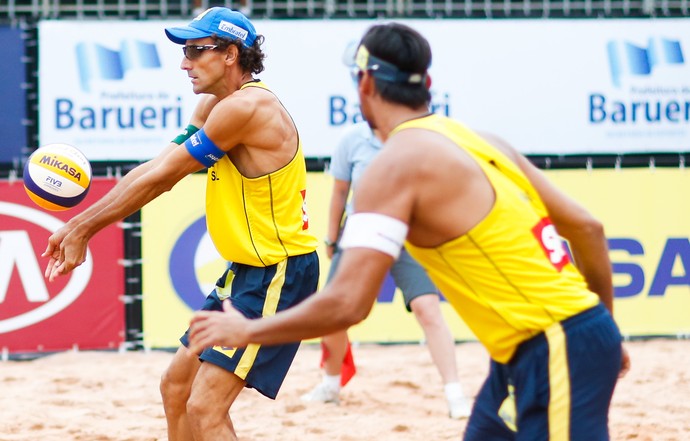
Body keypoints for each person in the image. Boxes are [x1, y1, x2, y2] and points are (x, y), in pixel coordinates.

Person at [187, 22, 631, 440]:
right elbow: (588, 228)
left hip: (553, 345)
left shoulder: (393, 165)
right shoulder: (481, 139)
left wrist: (248, 333)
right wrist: (605, 331)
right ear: (427, 87)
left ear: (365, 85)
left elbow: (347, 304)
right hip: (542, 346)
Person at [42, 7, 320, 441]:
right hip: (245, 270)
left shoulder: (246, 108)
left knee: (205, 408)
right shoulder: (214, 103)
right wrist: (79, 224)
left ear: (230, 54)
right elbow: (158, 165)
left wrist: (84, 230)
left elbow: (163, 180)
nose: (183, 61)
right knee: (176, 388)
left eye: (195, 49)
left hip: (279, 272)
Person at [301, 121, 471, 419]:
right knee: (333, 313)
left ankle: (454, 393)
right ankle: (330, 385)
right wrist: (331, 236)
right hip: (360, 233)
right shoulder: (353, 138)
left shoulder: (419, 137)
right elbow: (340, 191)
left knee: (428, 309)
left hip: (408, 234)